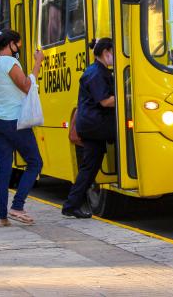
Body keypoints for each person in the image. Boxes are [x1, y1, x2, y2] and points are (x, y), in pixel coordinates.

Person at [0, 29, 44, 228]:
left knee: (3, 170)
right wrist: (38, 63)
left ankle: (2, 217)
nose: (18, 49)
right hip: (15, 122)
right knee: (35, 163)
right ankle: (17, 206)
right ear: (10, 43)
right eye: (17, 45)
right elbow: (27, 86)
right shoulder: (10, 63)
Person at [62, 37, 115, 219]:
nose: (115, 56)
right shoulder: (96, 74)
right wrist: (127, 97)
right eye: (113, 52)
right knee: (89, 167)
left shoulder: (98, 71)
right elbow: (105, 101)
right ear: (105, 52)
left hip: (93, 125)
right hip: (95, 125)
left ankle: (71, 204)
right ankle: (71, 206)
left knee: (89, 167)